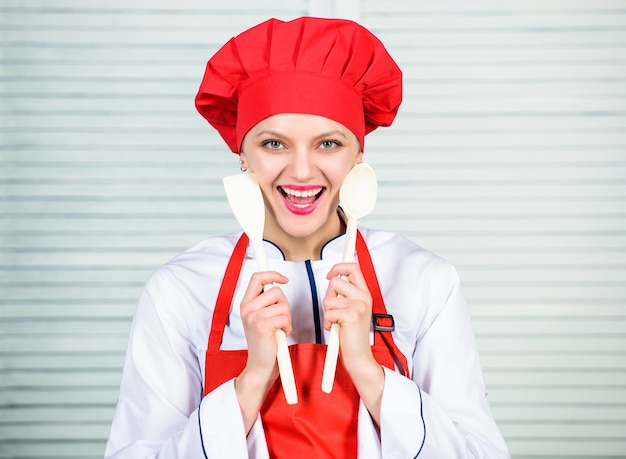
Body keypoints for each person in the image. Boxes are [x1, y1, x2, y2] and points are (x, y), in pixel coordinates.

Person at [104, 16, 510, 458]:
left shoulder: (424, 280)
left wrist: (367, 371)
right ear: (242, 152)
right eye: (274, 144)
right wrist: (252, 378)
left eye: (329, 144)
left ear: (359, 153)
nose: (301, 172)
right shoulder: (179, 290)